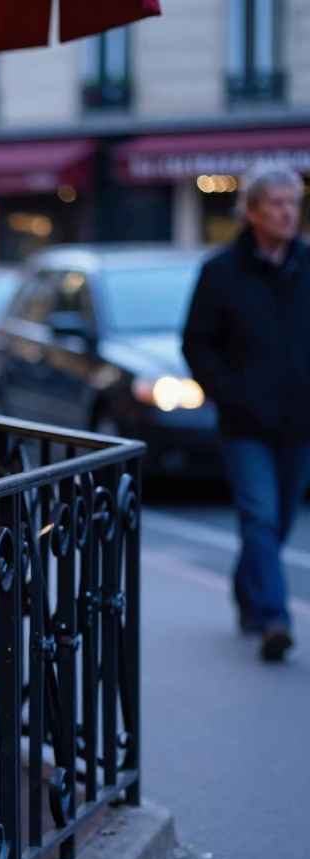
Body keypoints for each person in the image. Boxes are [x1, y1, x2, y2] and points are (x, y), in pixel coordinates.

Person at [182, 165, 310, 662]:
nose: (287, 212)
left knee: (276, 524)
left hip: (300, 422)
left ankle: (247, 591)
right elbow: (196, 343)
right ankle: (275, 618)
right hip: (245, 423)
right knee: (259, 517)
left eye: (293, 203)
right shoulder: (220, 273)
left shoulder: (306, 267)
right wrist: (231, 392)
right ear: (252, 211)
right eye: (276, 203)